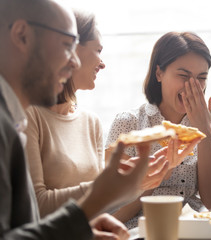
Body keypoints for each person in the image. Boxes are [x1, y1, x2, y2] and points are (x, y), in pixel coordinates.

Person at [0, 0, 151, 239]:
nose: (74, 62)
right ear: (22, 35)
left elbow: (21, 231)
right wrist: (101, 193)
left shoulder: (13, 120)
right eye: (67, 45)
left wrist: (82, 232)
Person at [25, 10, 169, 219]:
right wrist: (107, 186)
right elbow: (37, 205)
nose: (102, 64)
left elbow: (99, 206)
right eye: (98, 50)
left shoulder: (91, 122)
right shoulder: (29, 116)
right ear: (70, 49)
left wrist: (138, 182)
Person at [105, 31, 211, 228]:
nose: (193, 86)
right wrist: (162, 171)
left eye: (201, 77)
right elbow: (115, 213)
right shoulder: (129, 124)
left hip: (193, 228)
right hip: (141, 228)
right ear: (159, 73)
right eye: (183, 75)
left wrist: (204, 130)